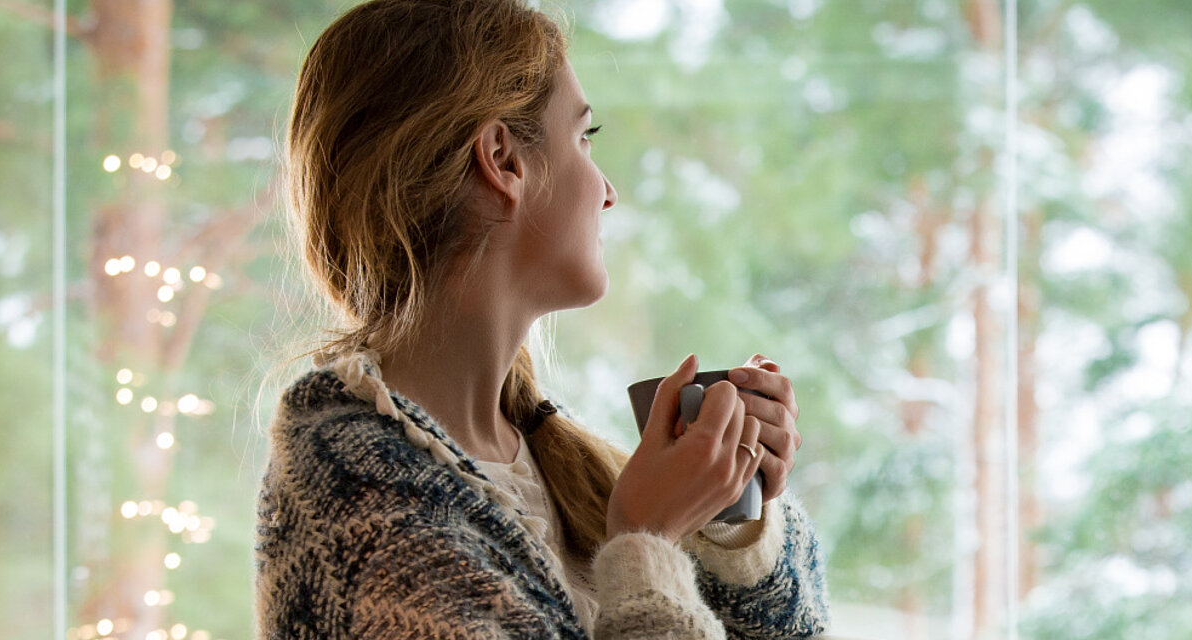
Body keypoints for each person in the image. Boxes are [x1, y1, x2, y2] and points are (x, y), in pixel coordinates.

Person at [254, 1, 830, 637]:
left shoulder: (541, 459)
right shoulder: (359, 492)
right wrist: (645, 540)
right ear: (503, 159)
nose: (608, 190)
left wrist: (725, 517)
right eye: (585, 137)